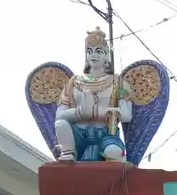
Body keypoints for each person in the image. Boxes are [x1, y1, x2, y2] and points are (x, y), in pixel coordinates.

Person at [54, 28, 131, 162]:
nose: (93, 55)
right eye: (89, 51)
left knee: (114, 153)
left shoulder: (118, 82)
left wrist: (95, 112)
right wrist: (80, 112)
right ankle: (69, 153)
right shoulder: (74, 82)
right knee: (60, 124)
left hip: (107, 135)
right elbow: (59, 115)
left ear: (106, 55)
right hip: (78, 135)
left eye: (98, 51)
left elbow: (126, 115)